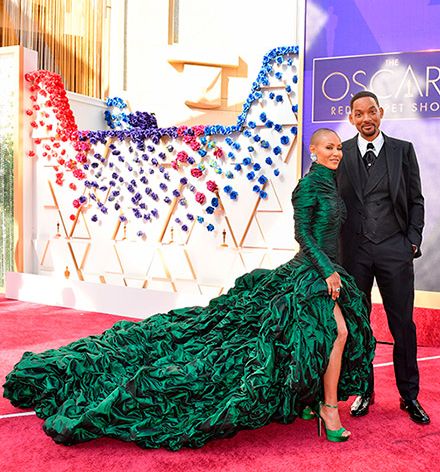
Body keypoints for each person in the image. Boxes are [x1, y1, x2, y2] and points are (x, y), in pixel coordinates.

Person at [3, 128, 375, 449]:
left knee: (319, 336)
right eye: (329, 148)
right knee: (336, 332)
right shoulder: (307, 187)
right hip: (312, 272)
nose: (336, 153)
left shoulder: (330, 184)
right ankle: (327, 410)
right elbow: (304, 234)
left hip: (325, 271)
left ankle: (314, 402)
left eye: (339, 148)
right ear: (314, 150)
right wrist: (327, 270)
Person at [336, 90, 430, 424]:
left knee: (402, 325)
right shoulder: (340, 153)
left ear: (382, 113)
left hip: (395, 249)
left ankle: (410, 396)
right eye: (359, 114)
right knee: (359, 324)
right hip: (355, 254)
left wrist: (412, 241)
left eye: (371, 112)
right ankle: (365, 390)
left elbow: (416, 199)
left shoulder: (403, 150)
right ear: (351, 118)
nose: (366, 119)